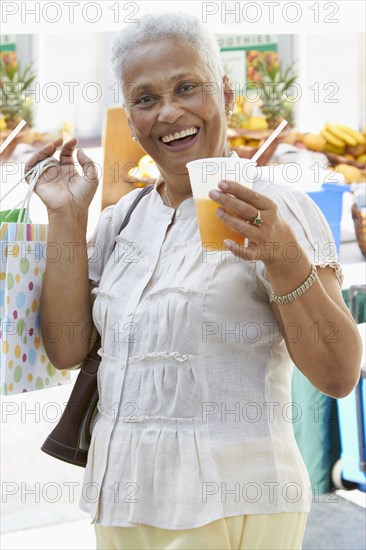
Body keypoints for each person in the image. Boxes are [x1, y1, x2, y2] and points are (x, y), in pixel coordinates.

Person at [25, 12, 362, 550]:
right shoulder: (123, 219)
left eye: (187, 87)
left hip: (236, 504)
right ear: (130, 119)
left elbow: (339, 375)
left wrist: (282, 256)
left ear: (225, 95)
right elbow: (68, 349)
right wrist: (69, 217)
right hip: (123, 501)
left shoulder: (279, 210)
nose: (170, 112)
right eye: (146, 98)